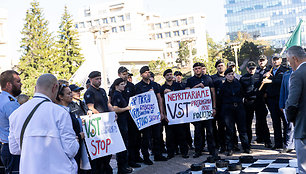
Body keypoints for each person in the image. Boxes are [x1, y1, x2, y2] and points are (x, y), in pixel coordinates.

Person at [8, 73, 79, 174]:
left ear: (36, 88)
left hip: (29, 170)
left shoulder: (15, 114)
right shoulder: (60, 112)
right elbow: (70, 150)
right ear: (55, 87)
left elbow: (14, 149)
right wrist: (76, 141)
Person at [108, 66, 140, 168]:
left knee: (133, 139)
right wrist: (123, 109)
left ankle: (133, 159)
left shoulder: (131, 86)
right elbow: (113, 105)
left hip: (131, 117)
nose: (125, 76)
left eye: (126, 74)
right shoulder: (115, 90)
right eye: (123, 74)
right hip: (122, 118)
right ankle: (124, 164)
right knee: (123, 142)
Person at [135, 66, 167, 165]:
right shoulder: (138, 86)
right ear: (141, 75)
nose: (148, 74)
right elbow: (137, 100)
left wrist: (161, 112)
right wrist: (146, 94)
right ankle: (146, 157)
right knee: (146, 137)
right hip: (145, 117)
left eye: (149, 72)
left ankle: (158, 154)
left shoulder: (155, 85)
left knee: (157, 136)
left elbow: (159, 99)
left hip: (155, 115)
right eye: (145, 72)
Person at [84, 71, 114, 174]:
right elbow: (91, 108)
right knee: (100, 155)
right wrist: (102, 117)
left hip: (107, 124)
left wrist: (112, 112)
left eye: (100, 78)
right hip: (98, 125)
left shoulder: (102, 91)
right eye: (97, 79)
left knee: (108, 151)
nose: (99, 81)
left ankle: (106, 169)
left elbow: (107, 103)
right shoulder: (89, 92)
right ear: (91, 79)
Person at [185, 62, 217, 158]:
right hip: (196, 111)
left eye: (199, 68)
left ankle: (212, 150)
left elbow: (213, 93)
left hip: (207, 109)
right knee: (198, 132)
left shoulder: (208, 78)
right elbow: (186, 93)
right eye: (196, 69)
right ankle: (198, 150)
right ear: (193, 70)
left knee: (210, 131)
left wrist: (214, 107)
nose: (198, 70)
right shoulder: (190, 80)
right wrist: (196, 87)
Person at [220, 68, 251, 156]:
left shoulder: (238, 84)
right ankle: (230, 148)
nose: (231, 76)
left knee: (242, 129)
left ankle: (246, 147)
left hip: (239, 107)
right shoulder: (222, 86)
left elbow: (243, 94)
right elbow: (220, 99)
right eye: (229, 74)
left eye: (232, 74)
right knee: (230, 130)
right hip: (228, 109)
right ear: (225, 76)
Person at [285, 46, 306, 173]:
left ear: (294, 58)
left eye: (288, 60)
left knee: (303, 168)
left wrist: (291, 119)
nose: (289, 64)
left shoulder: (297, 75)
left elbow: (292, 103)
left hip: (303, 127)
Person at [160, 69, 189, 159]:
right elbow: (161, 102)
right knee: (169, 136)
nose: (170, 76)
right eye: (167, 75)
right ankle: (171, 153)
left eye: (170, 74)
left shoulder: (178, 86)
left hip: (179, 115)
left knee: (182, 134)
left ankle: (184, 152)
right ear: (164, 77)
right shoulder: (162, 88)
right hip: (169, 115)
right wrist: (164, 114)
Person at [56, 83, 85, 173]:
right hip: (67, 154)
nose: (71, 95)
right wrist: (78, 137)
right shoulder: (60, 113)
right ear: (60, 96)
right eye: (68, 94)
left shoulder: (67, 111)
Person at [263, 53, 289, 149]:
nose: (275, 61)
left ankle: (287, 143)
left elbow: (281, 80)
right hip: (271, 100)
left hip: (281, 99)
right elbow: (263, 83)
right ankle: (278, 143)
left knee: (285, 122)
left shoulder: (285, 70)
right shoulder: (268, 71)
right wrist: (265, 76)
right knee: (275, 122)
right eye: (274, 59)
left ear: (281, 60)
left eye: (277, 59)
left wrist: (271, 80)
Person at [0, 70, 22, 174]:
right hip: (12, 147)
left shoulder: (2, 99)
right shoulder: (10, 103)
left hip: (6, 146)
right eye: (18, 82)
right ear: (8, 84)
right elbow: (20, 125)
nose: (21, 84)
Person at [111, 78, 133, 174]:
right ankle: (121, 168)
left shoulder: (120, 94)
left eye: (124, 84)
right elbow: (115, 109)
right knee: (122, 146)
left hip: (124, 123)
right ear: (116, 86)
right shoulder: (116, 95)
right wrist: (126, 108)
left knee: (125, 145)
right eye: (122, 84)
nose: (124, 85)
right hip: (120, 123)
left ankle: (124, 166)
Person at [253, 55, 271, 147]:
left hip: (269, 96)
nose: (261, 62)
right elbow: (255, 83)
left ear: (266, 61)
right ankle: (260, 137)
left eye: (263, 60)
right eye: (260, 60)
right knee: (260, 118)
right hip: (259, 97)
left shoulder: (270, 70)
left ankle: (268, 140)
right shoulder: (256, 71)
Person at [240, 61, 257, 144]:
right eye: (250, 69)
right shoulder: (243, 78)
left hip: (258, 101)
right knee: (248, 122)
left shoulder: (260, 76)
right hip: (248, 101)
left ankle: (266, 141)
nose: (251, 70)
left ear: (255, 68)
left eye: (253, 69)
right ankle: (248, 141)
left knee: (262, 121)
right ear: (247, 69)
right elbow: (241, 90)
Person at [279, 67, 294, 153]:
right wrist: (281, 104)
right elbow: (283, 90)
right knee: (290, 126)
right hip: (288, 104)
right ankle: (289, 145)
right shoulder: (286, 74)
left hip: (301, 104)